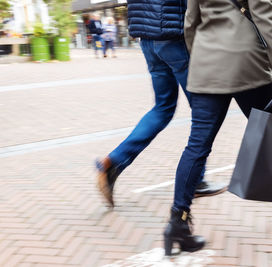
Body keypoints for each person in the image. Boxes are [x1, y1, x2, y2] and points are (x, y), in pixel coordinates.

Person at [163, 0, 272, 256]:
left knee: (197, 145)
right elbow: (267, 20)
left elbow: (190, 23)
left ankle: (177, 222)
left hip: (207, 67)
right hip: (248, 64)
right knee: (270, 135)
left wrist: (202, 58)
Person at [95, 0, 227, 208]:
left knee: (162, 108)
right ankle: (197, 180)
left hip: (147, 39)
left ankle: (113, 162)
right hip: (174, 36)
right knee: (205, 112)